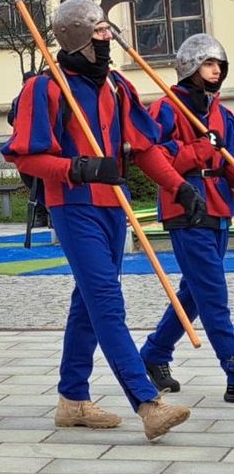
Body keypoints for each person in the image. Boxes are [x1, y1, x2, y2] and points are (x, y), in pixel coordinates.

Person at [3, 0, 200, 440]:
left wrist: (178, 186)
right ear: (76, 37)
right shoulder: (46, 87)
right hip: (73, 207)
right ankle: (147, 402)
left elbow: (144, 146)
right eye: (99, 33)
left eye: (108, 31)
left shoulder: (116, 85)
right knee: (107, 301)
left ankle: (72, 399)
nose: (108, 39)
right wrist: (78, 168)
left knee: (88, 303)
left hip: (114, 204)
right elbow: (26, 156)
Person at [138, 34, 234, 404]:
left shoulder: (222, 114)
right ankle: (231, 364)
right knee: (213, 291)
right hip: (185, 205)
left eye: (219, 66)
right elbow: (155, 158)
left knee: (195, 291)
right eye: (209, 64)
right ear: (191, 67)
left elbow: (227, 161)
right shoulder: (167, 109)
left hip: (218, 207)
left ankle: (155, 353)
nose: (215, 71)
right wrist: (198, 149)